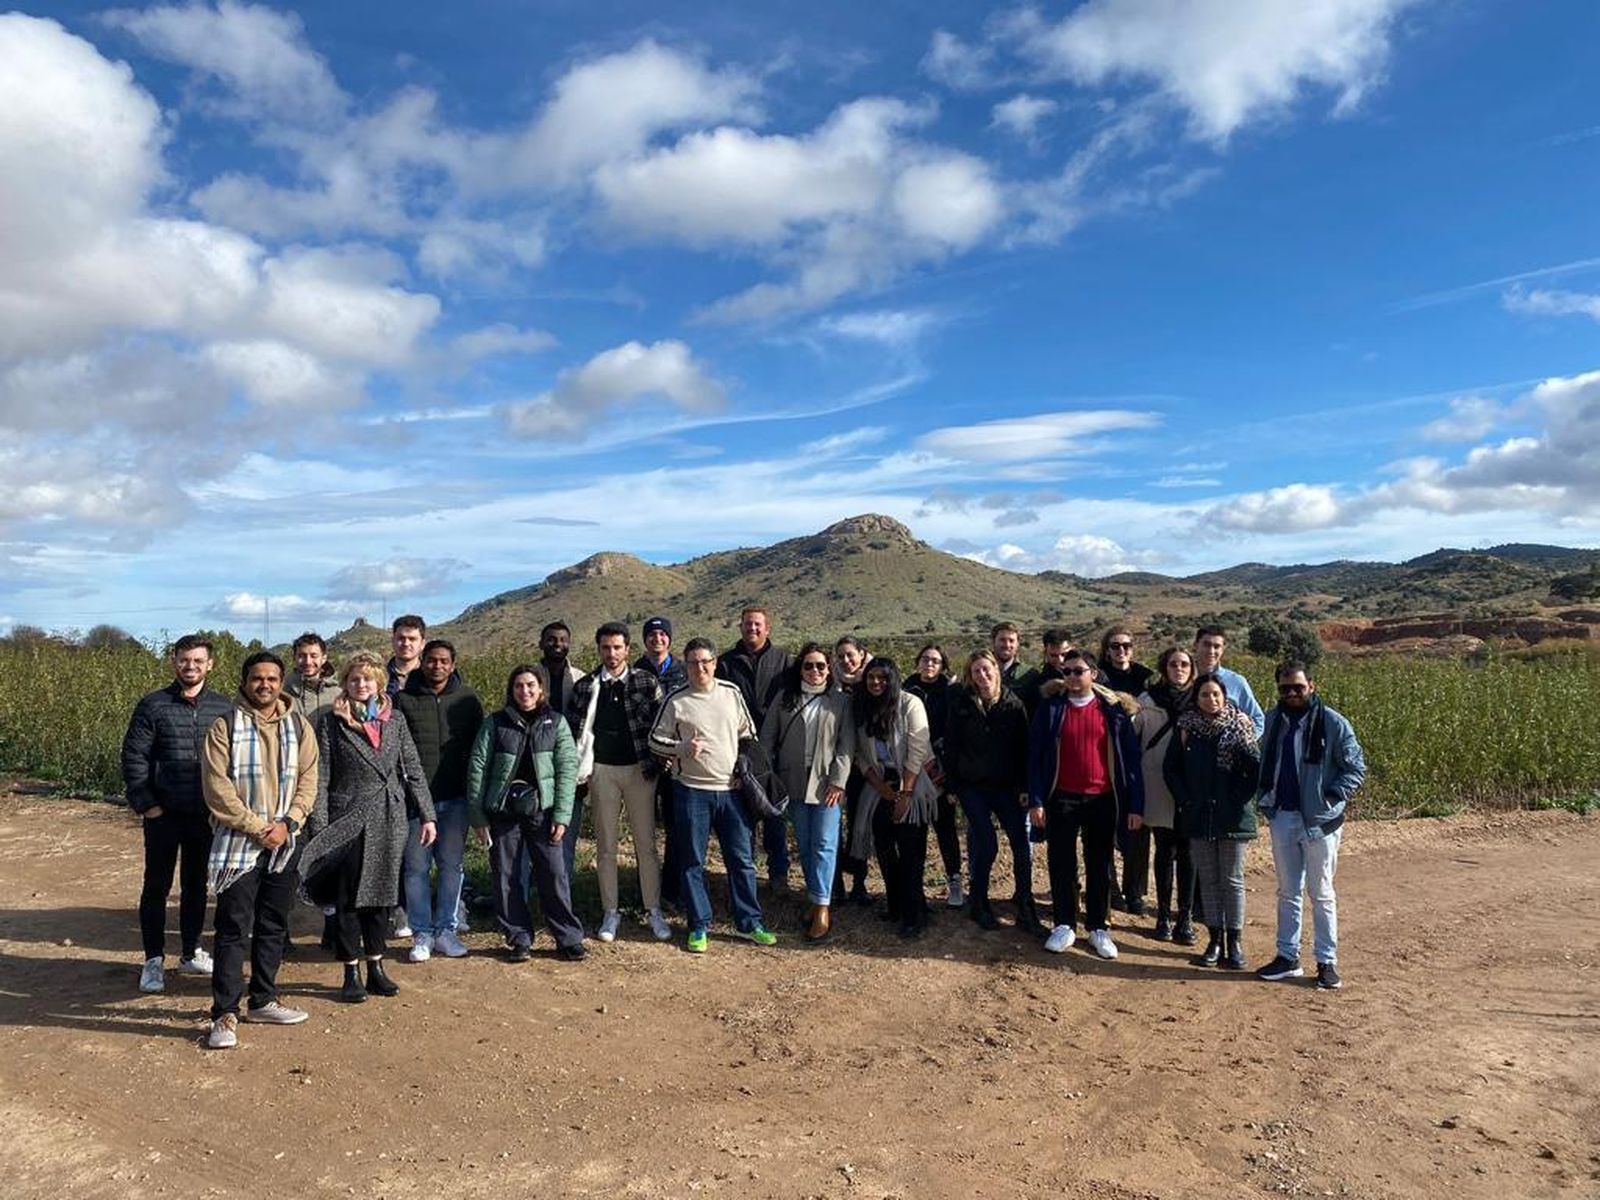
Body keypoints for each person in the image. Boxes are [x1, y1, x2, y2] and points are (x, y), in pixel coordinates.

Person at [199, 652, 320, 1050]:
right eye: (257, 678)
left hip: (285, 842)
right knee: (233, 928)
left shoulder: (298, 726)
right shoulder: (224, 727)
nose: (264, 685)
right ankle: (224, 1014)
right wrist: (258, 827)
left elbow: (308, 780)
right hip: (239, 844)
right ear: (244, 682)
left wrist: (289, 823)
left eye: (271, 678)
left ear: (282, 682)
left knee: (273, 924)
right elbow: (218, 790)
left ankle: (263, 998)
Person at [299, 653, 437, 1002]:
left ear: (378, 683)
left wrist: (427, 815)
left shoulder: (396, 721)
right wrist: (320, 825)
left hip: (389, 818)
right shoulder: (331, 723)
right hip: (348, 819)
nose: (362, 685)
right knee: (348, 899)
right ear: (345, 683)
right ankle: (350, 970)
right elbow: (322, 774)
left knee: (382, 897)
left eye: (368, 679)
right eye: (355, 680)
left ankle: (376, 966)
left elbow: (413, 769)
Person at [121, 633, 233, 994]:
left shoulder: (223, 707)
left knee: (197, 886)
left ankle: (190, 952)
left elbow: (233, 759)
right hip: (164, 814)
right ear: (174, 661)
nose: (191, 666)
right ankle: (153, 960)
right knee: (156, 886)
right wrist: (146, 803)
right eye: (185, 659)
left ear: (210, 664)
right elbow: (134, 756)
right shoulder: (153, 705)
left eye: (198, 660)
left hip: (205, 815)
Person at [649, 637, 776, 952]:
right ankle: (699, 925)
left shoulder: (731, 694)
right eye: (693, 662)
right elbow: (654, 739)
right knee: (692, 860)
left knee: (742, 860)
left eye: (705, 661)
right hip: (691, 791)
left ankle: (749, 923)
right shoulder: (676, 699)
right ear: (686, 665)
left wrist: (742, 767)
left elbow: (748, 734)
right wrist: (680, 748)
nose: (700, 667)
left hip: (731, 792)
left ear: (715, 662)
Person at [1255, 661, 1366, 991]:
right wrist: (1265, 800)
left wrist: (1331, 798)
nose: (1291, 693)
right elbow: (1263, 762)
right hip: (1283, 816)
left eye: (1298, 688)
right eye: (1285, 688)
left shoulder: (1332, 723)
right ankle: (1287, 957)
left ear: (1311, 687)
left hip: (1320, 821)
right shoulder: (1272, 720)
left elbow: (1355, 768)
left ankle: (1326, 961)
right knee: (1287, 891)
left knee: (1321, 893)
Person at [1027, 649, 1144, 960]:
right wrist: (1036, 799)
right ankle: (1064, 923)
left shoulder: (1113, 711)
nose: (1071, 677)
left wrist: (1136, 804)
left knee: (1100, 863)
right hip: (1061, 797)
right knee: (1062, 861)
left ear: (1093, 673)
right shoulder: (1051, 709)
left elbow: (1131, 762)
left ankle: (1097, 927)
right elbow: (1035, 758)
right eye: (1066, 672)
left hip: (1102, 798)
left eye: (1078, 671)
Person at [467, 665, 587, 963]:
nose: (525, 691)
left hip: (543, 812)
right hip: (504, 812)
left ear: (541, 689)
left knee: (554, 873)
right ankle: (519, 937)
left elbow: (567, 769)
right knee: (507, 876)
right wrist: (478, 817)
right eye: (519, 686)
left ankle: (568, 938)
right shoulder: (495, 723)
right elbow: (477, 768)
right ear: (511, 690)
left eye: (531, 685)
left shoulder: (555, 722)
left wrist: (562, 815)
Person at [568, 622, 671, 943]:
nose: (611, 654)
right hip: (602, 772)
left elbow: (662, 726)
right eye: (605, 648)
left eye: (617, 647)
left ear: (628, 649)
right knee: (606, 847)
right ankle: (610, 912)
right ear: (598, 650)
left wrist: (659, 761)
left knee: (646, 846)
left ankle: (653, 910)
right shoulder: (585, 687)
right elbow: (574, 733)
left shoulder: (646, 681)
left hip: (640, 771)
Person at [1163, 673, 1260, 970]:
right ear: (1197, 698)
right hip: (1197, 814)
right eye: (1205, 694)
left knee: (1232, 879)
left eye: (1216, 694)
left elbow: (1254, 770)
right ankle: (1214, 939)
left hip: (1232, 817)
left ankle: (1235, 942)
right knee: (1208, 878)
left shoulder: (1240, 726)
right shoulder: (1187, 728)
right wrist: (1185, 799)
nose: (1211, 699)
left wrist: (1235, 799)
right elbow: (1171, 769)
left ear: (1224, 696)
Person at [393, 638, 482, 962]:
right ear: (422, 662)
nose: (437, 666)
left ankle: (446, 929)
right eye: (431, 660)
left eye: (444, 661)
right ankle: (422, 933)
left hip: (456, 799)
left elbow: (478, 749)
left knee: (451, 866)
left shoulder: (468, 699)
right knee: (415, 868)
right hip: (416, 801)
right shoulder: (403, 699)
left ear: (453, 664)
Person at [761, 644, 853, 943]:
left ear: (830, 669)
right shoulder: (785, 698)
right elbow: (767, 740)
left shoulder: (840, 702)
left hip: (827, 783)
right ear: (800, 668)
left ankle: (823, 908)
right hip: (793, 781)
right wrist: (768, 777)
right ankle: (815, 899)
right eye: (809, 666)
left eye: (821, 666)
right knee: (805, 844)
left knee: (825, 844)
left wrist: (839, 781)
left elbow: (846, 745)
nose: (815, 671)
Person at [942, 650, 1035, 934]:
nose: (982, 676)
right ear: (970, 675)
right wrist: (952, 786)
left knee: (1021, 844)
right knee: (987, 842)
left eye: (987, 669)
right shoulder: (962, 704)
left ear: (996, 669)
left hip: (1006, 786)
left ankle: (1025, 904)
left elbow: (1023, 749)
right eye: (976, 671)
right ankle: (979, 902)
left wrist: (1023, 787)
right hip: (973, 786)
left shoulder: (1013, 704)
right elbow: (952, 746)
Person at [849, 658, 938, 939]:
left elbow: (918, 747)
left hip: (911, 783)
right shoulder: (863, 708)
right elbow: (861, 755)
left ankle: (915, 915)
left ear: (892, 679)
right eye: (871, 677)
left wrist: (905, 792)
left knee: (911, 853)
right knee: (886, 850)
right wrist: (881, 787)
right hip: (878, 788)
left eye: (882, 678)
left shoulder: (910, 704)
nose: (876, 682)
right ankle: (897, 904)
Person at [715, 606, 793, 890]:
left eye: (758, 625)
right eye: (748, 625)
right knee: (742, 815)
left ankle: (778, 874)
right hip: (737, 748)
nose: (753, 629)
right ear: (741, 628)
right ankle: (743, 875)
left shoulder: (784, 660)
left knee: (773, 812)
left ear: (767, 628)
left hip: (773, 748)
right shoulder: (725, 663)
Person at [1132, 647, 1198, 944]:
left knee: (1187, 853)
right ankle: (1162, 914)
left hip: (1190, 788)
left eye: (1184, 664)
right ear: (1164, 667)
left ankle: (1183, 916)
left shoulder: (1202, 699)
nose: (1179, 669)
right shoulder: (1147, 702)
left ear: (1192, 668)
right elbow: (1133, 743)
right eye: (1173, 664)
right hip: (1157, 785)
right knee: (1163, 851)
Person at [904, 643, 963, 908]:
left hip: (940, 766)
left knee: (945, 827)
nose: (930, 664)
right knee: (915, 828)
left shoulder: (950, 692)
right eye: (926, 659)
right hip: (913, 765)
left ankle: (954, 880)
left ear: (942, 666)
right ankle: (914, 887)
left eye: (936, 661)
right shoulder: (905, 688)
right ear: (918, 661)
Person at [636, 615, 686, 909]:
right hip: (642, 761)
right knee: (644, 830)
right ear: (645, 640)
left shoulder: (683, 671)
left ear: (669, 638)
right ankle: (646, 891)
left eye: (662, 635)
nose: (658, 639)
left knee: (675, 828)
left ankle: (671, 890)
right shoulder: (633, 671)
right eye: (652, 635)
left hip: (675, 762)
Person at [540, 621, 586, 878]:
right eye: (551, 639)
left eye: (562, 640)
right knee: (532, 838)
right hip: (536, 767)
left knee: (566, 836)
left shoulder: (580, 678)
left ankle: (564, 895)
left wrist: (584, 772)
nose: (557, 644)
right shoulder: (529, 676)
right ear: (541, 643)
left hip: (571, 768)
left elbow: (589, 729)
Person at [1193, 626, 1264, 736]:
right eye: (1206, 645)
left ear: (1223, 649)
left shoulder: (1236, 682)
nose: (1211, 651)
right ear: (1196, 645)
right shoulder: (1184, 680)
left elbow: (1258, 721)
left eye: (1216, 646)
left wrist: (1244, 741)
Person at [282, 631, 339, 724]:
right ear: (294, 658)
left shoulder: (338, 695)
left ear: (324, 658)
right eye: (302, 656)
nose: (308, 662)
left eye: (314, 656)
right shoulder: (283, 693)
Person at [1099, 626, 1153, 697]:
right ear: (1107, 651)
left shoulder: (1145, 675)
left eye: (1126, 646)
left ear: (1131, 649)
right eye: (1115, 646)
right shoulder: (1099, 677)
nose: (1121, 650)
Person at [386, 615, 426, 698]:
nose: (406, 644)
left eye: (412, 639)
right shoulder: (380, 675)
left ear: (422, 643)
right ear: (393, 641)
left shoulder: (430, 676)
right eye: (401, 638)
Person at [991, 621, 1025, 688]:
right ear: (993, 642)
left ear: (1017, 644)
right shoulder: (979, 671)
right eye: (1002, 640)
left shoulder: (1028, 675)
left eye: (1011, 641)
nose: (1007, 645)